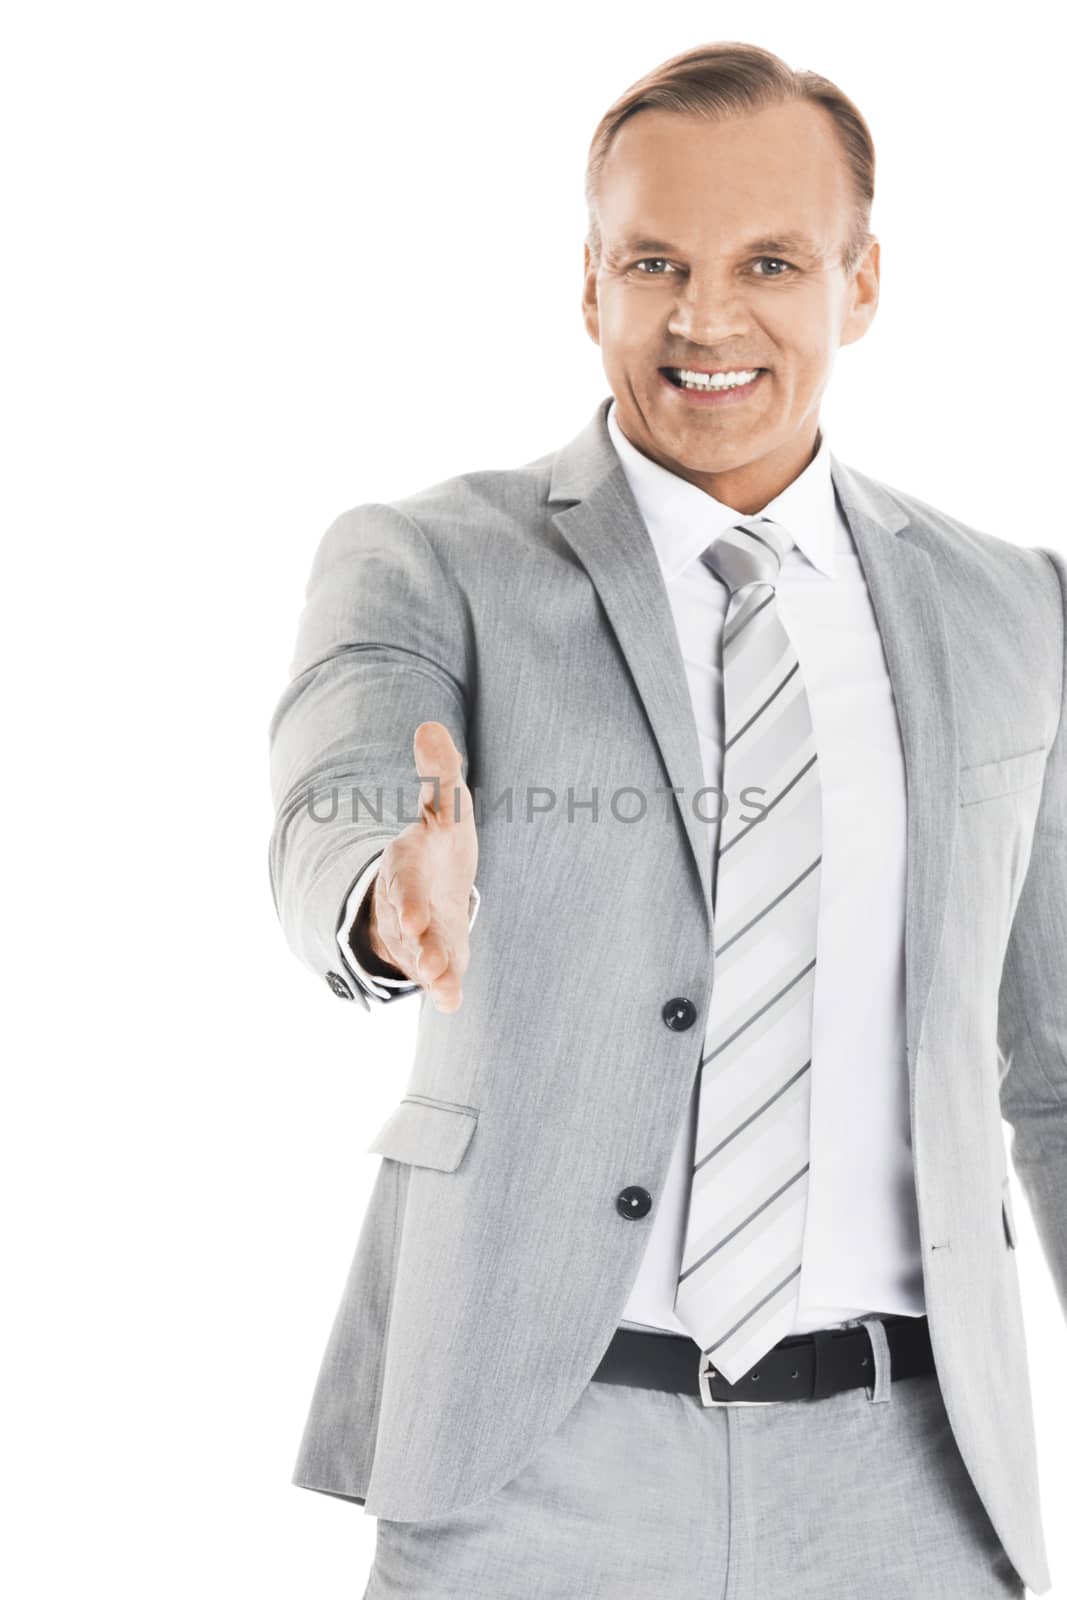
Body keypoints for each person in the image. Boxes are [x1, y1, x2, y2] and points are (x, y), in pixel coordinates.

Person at [267, 39, 1065, 1598]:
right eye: (654, 263)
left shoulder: (1016, 607)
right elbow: (339, 795)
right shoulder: (433, 560)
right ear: (589, 286)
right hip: (533, 1464)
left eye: (771, 261)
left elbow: (1058, 1064)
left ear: (864, 280)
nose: (706, 319)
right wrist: (384, 893)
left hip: (913, 1478)